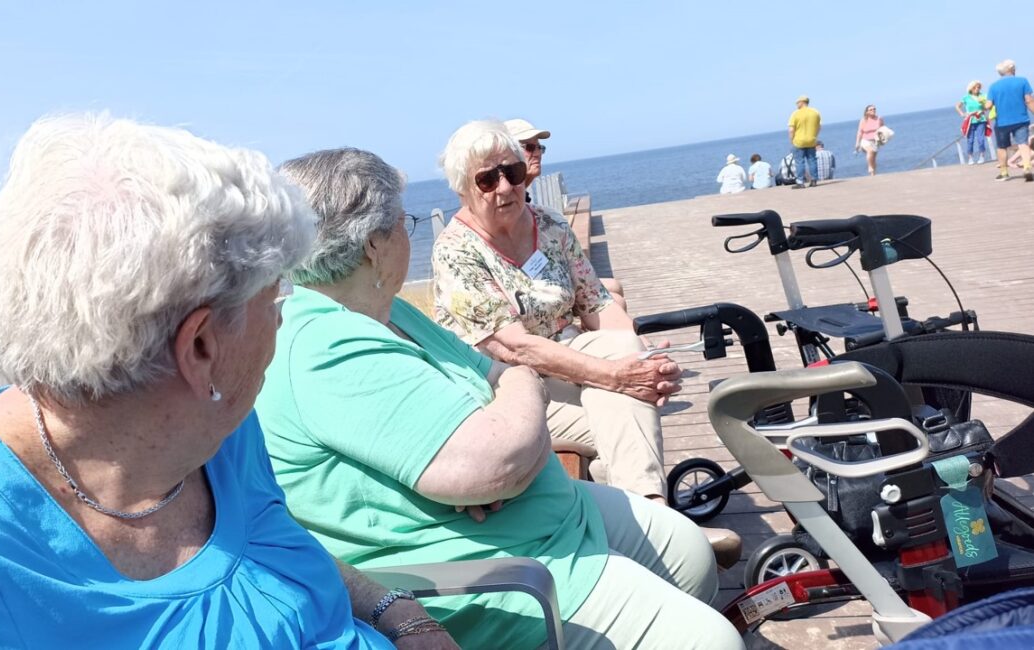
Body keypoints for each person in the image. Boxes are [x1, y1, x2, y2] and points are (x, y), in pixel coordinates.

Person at [0, 114, 456, 649]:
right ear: (202, 347)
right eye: (275, 294)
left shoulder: (217, 430)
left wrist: (395, 611)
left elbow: (272, 549)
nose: (284, 314)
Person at [257, 146, 744, 650]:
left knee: (689, 552)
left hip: (541, 518)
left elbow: (502, 375)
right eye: (403, 221)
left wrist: (514, 399)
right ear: (375, 244)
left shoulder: (391, 314)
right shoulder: (325, 346)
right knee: (712, 641)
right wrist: (513, 408)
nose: (409, 232)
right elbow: (497, 458)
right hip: (497, 578)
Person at [430, 118, 740, 551]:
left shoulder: (550, 226)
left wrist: (643, 360)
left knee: (624, 366)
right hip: (508, 389)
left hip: (571, 365)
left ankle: (652, 531)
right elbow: (516, 347)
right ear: (463, 188)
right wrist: (617, 376)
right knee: (627, 408)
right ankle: (661, 530)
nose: (504, 187)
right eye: (487, 179)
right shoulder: (456, 251)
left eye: (513, 172)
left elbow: (596, 305)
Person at [505, 118, 627, 312]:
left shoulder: (528, 202)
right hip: (532, 294)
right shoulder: (506, 205)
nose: (536, 153)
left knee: (614, 289)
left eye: (539, 147)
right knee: (614, 297)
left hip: (545, 279)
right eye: (529, 147)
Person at [983, 59, 1034, 182]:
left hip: (1002, 122)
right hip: (1021, 119)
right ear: (1013, 69)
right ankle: (1027, 167)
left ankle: (1004, 173)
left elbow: (988, 105)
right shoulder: (1022, 81)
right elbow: (1029, 100)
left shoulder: (993, 86)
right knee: (1023, 144)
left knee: (1002, 147)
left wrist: (983, 105)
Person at [788, 94, 822, 188]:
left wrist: (792, 140)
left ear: (802, 102)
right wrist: (814, 135)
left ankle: (800, 182)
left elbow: (791, 130)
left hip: (799, 141)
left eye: (797, 103)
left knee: (799, 161)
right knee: (812, 160)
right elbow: (819, 126)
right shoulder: (815, 112)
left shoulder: (795, 114)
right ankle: (814, 180)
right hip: (811, 140)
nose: (796, 105)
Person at [957, 80, 990, 165]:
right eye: (975, 87)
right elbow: (957, 106)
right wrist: (962, 114)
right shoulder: (966, 97)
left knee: (981, 139)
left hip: (981, 120)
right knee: (970, 140)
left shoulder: (983, 96)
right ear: (971, 88)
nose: (977, 89)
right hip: (970, 120)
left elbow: (987, 106)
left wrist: (982, 110)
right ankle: (970, 157)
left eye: (978, 87)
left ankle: (982, 156)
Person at [854, 104, 885, 176]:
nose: (873, 110)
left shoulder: (879, 119)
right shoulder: (863, 120)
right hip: (865, 141)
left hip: (875, 141)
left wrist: (883, 138)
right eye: (871, 109)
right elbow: (860, 132)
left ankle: (873, 174)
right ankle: (870, 167)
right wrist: (857, 143)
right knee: (870, 151)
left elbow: (883, 129)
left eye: (874, 109)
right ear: (867, 112)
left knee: (873, 159)